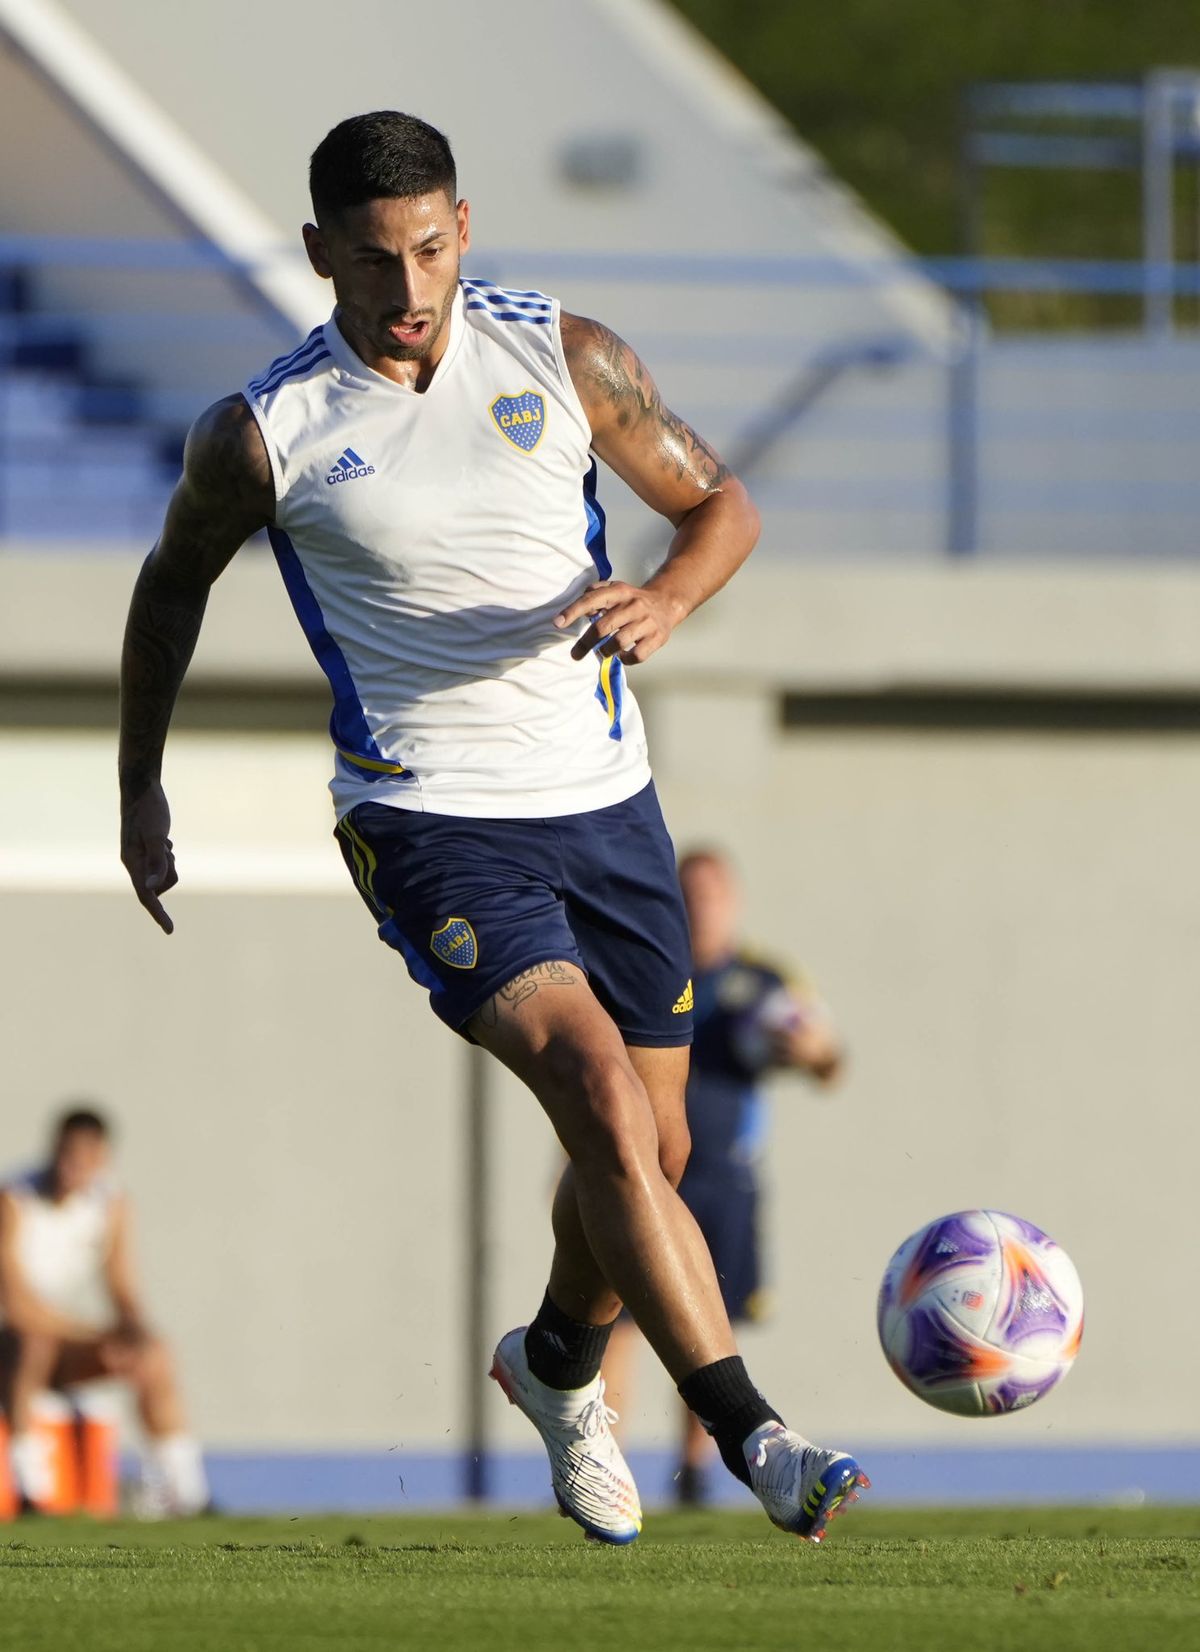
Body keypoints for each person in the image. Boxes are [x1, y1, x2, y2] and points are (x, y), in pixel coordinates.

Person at [118, 111, 868, 1545]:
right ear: (318, 252)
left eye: (434, 247)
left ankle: (554, 1365)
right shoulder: (266, 433)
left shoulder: (563, 353)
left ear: (465, 223)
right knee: (597, 1096)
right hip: (429, 820)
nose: (410, 287)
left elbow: (721, 506)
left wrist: (667, 598)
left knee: (654, 1152)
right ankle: (755, 1433)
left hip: (608, 806)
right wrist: (138, 785)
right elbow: (169, 592)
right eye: (376, 258)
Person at [603, 849, 844, 1505]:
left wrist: (813, 1051)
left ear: (732, 901)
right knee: (615, 1322)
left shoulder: (763, 980)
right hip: (647, 1175)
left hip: (725, 1179)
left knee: (708, 1324)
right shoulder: (645, 968)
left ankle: (694, 1476)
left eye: (714, 895)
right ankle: (605, 1471)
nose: (703, 906)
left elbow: (828, 1056)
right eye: (692, 894)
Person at [0, 1107, 210, 1516]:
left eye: (82, 1158)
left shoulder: (110, 1204)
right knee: (34, 1343)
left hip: (62, 1341)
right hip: (12, 1344)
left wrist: (132, 1331)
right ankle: (29, 1489)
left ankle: (184, 1491)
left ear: (101, 1159)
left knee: (154, 1354)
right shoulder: (14, 1201)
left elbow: (121, 1286)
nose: (70, 1167)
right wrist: (95, 1336)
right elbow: (19, 1307)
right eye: (64, 1155)